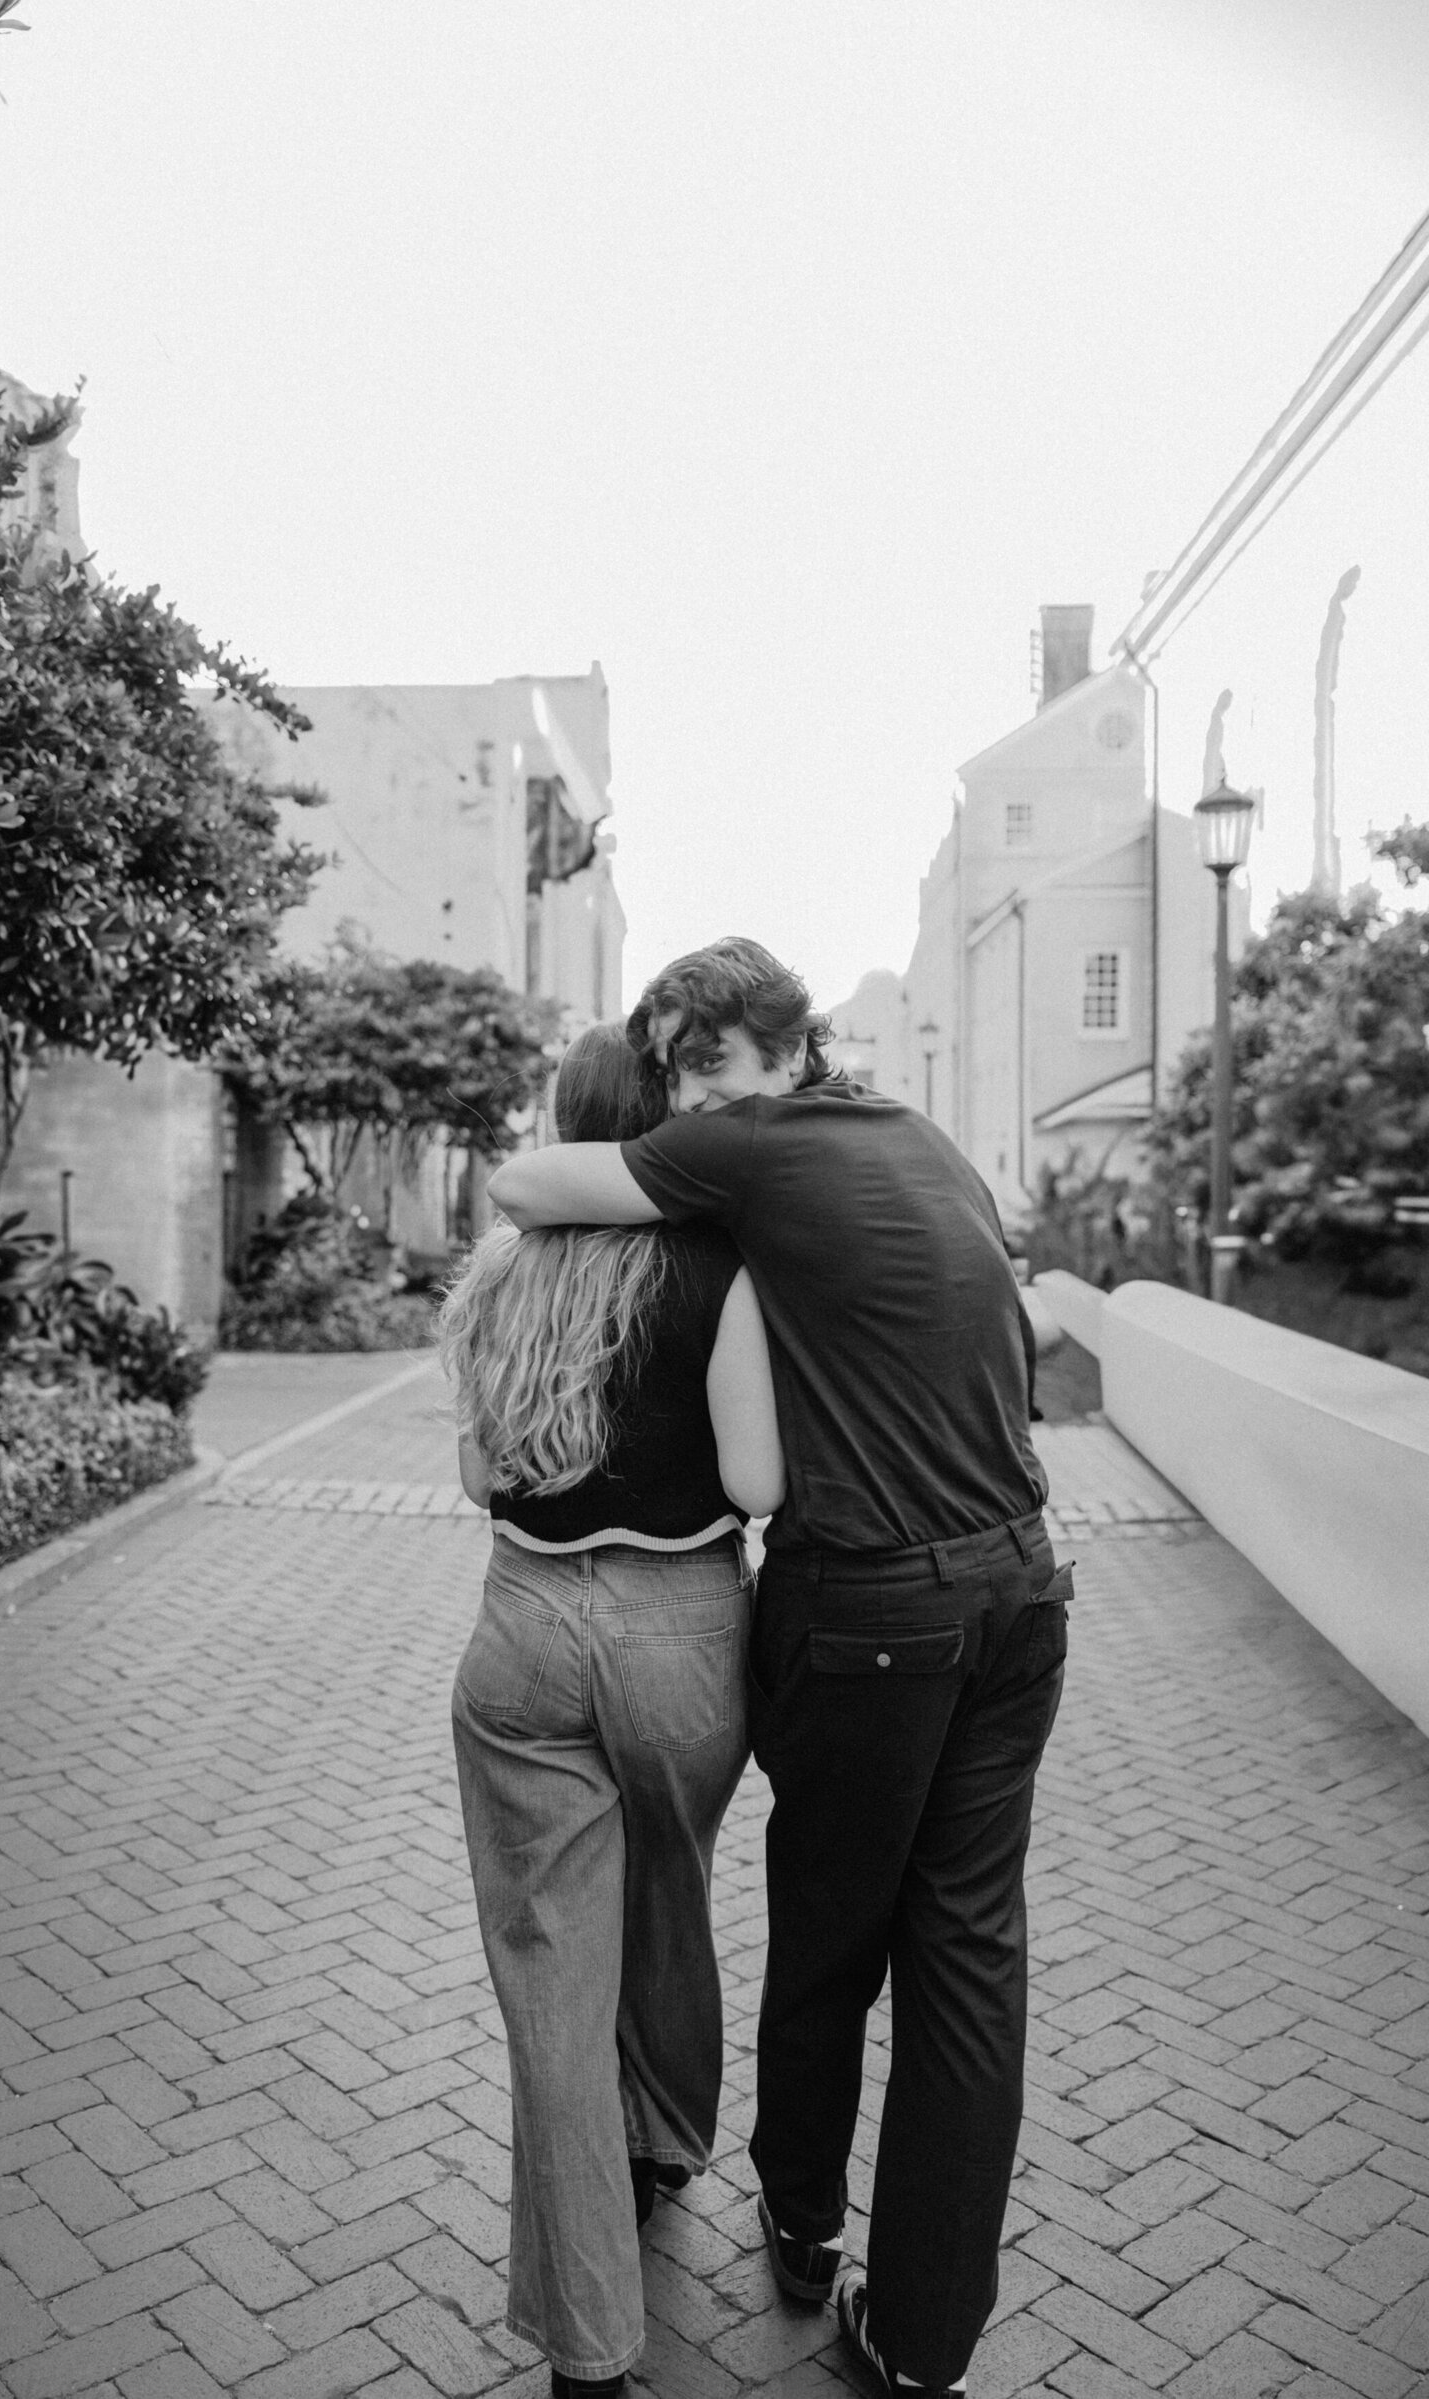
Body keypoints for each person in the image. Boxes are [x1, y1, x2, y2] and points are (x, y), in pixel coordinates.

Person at [487, 938, 1071, 2399]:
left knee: (825, 1942)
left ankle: (803, 2228)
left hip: (875, 1614)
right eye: (669, 1065)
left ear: (782, 1052)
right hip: (1022, 1593)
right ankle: (925, 2339)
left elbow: (530, 1190)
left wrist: (657, 1151)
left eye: (706, 1060)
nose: (687, 1092)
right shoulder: (919, 1143)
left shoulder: (746, 1150)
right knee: (969, 1960)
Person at [442, 1020, 786, 2398]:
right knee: (671, 1882)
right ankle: (667, 2139)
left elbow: (478, 1480)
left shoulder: (499, 1275)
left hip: (522, 1628)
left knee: (551, 1981)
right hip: (683, 1630)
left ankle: (589, 2351)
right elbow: (757, 1489)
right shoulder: (718, 1268)